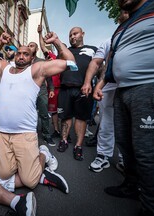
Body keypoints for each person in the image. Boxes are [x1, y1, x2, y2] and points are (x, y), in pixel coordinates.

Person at [93, 0, 154, 215]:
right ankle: (131, 186)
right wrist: (100, 84)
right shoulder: (121, 27)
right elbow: (111, 63)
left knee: (149, 151)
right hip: (122, 90)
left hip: (153, 85)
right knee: (126, 145)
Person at [0, 31, 77, 189]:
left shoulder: (37, 70)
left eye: (26, 54)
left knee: (30, 181)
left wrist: (56, 41)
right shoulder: (4, 69)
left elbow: (71, 62)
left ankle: (43, 153)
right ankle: (23, 161)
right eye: (19, 53)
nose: (21, 56)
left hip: (25, 134)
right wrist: (0, 42)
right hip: (2, 134)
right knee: (3, 174)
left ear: (32, 58)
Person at [81, 10, 129, 173]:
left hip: (134, 85)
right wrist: (89, 82)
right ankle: (103, 156)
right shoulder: (109, 41)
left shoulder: (146, 34)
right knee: (107, 124)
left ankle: (125, 159)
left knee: (130, 126)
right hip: (108, 87)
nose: (126, 13)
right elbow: (96, 62)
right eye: (123, 12)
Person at [57, 27, 97, 161]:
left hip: (84, 89)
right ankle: (64, 140)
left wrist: (98, 86)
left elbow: (100, 67)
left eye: (75, 33)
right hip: (65, 88)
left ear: (82, 34)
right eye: (70, 35)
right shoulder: (65, 51)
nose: (72, 37)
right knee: (65, 116)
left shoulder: (92, 49)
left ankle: (78, 146)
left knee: (81, 117)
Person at [37, 24, 62, 140]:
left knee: (64, 112)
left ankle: (64, 134)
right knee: (53, 111)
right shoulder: (52, 57)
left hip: (64, 89)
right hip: (53, 89)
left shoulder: (68, 60)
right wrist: (40, 33)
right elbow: (43, 47)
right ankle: (56, 130)